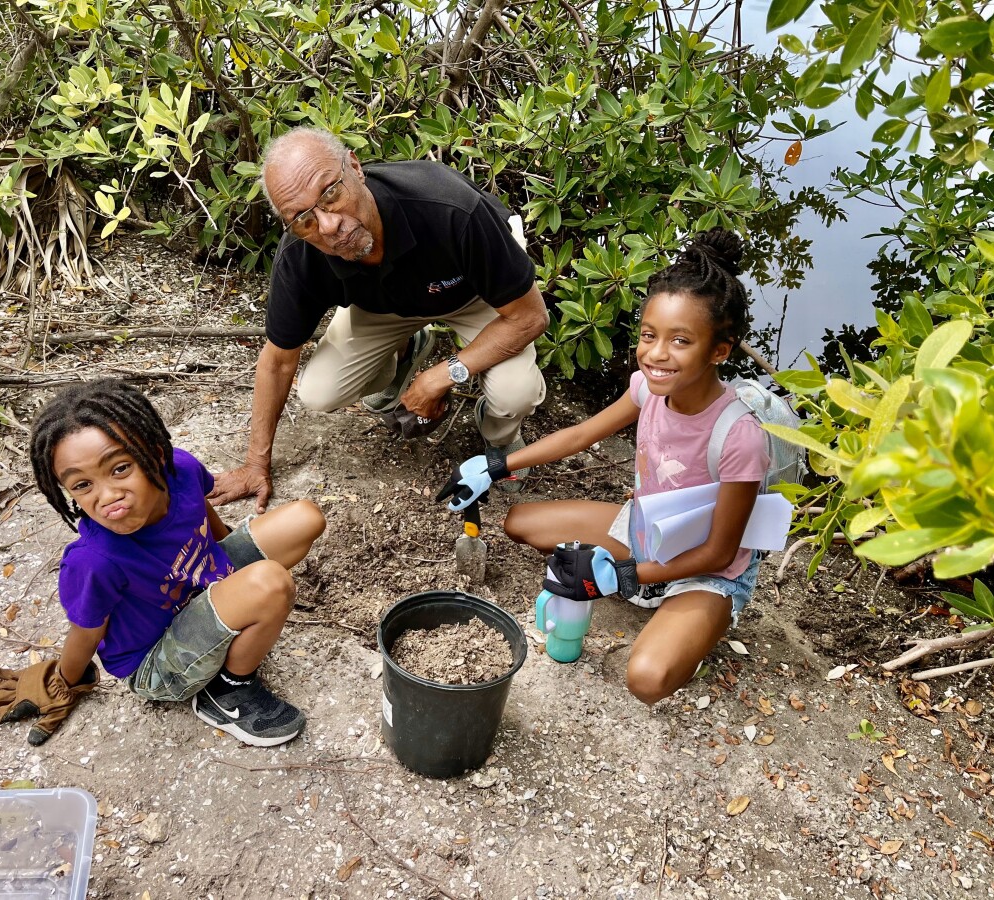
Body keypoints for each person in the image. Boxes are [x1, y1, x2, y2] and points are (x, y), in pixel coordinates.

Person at [438, 229, 768, 705]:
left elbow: (720, 552)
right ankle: (649, 593)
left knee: (647, 679)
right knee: (519, 523)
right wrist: (494, 465)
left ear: (719, 350)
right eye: (649, 335)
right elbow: (579, 436)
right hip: (647, 531)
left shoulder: (739, 436)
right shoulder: (646, 388)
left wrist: (623, 576)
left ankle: (693, 624)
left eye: (681, 341)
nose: (657, 354)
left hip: (705, 570)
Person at [0, 379, 326, 747]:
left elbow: (200, 511)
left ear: (155, 455)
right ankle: (227, 690)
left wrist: (233, 574)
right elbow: (86, 633)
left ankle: (240, 613)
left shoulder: (181, 469)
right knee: (270, 582)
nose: (107, 496)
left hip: (202, 588)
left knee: (305, 518)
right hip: (159, 663)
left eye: (120, 468)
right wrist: (61, 684)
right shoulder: (94, 561)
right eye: (82, 485)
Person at [208, 127, 549, 512]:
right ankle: (407, 349)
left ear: (354, 167)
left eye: (331, 194)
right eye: (302, 218)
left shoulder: (451, 209)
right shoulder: (300, 256)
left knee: (514, 393)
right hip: (385, 305)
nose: (327, 226)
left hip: (478, 293)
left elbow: (530, 318)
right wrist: (255, 464)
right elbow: (277, 360)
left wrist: (440, 376)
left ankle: (500, 437)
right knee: (319, 392)